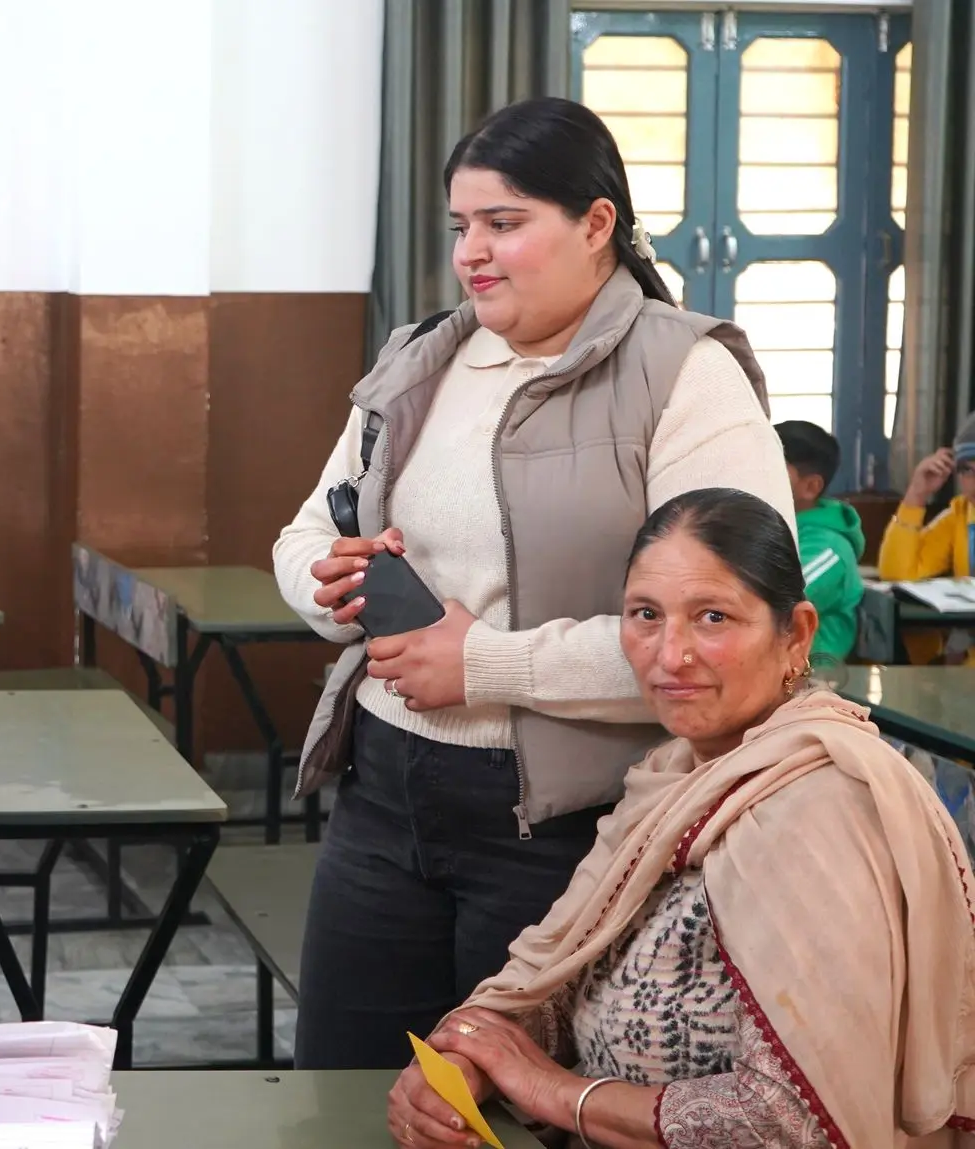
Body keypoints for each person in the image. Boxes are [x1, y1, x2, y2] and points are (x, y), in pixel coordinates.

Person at [272, 96, 797, 1070]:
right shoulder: (422, 357)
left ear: (597, 223)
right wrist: (327, 582)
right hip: (382, 793)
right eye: (461, 225)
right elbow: (307, 530)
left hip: (573, 824)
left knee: (518, 1106)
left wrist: (484, 664)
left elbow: (727, 634)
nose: (471, 253)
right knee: (344, 1089)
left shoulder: (684, 375)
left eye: (504, 223)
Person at [386, 488, 975, 1149]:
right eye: (646, 614)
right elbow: (565, 978)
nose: (670, 655)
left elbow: (796, 1120)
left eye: (713, 617)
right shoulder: (670, 781)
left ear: (796, 634)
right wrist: (469, 1055)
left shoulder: (824, 812)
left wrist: (557, 1092)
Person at [879, 411, 975, 665]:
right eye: (967, 470)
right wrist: (917, 494)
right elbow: (898, 573)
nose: (973, 483)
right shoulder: (959, 516)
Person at [776, 420, 864, 666]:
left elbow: (775, 604)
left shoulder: (829, 548)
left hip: (809, 679)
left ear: (811, 487)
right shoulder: (770, 526)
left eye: (773, 469)